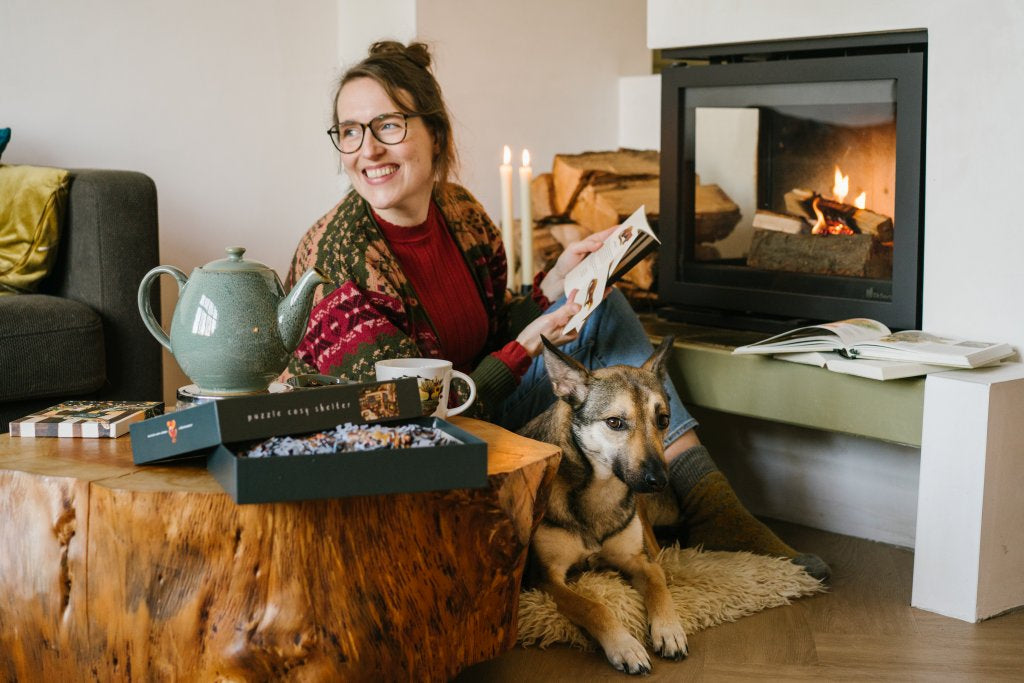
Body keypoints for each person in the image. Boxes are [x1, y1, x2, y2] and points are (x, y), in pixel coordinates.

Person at [281, 40, 829, 581]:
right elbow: (410, 416)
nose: (367, 150)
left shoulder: (460, 212)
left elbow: (490, 328)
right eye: (349, 131)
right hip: (414, 450)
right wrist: (524, 348)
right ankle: (692, 507)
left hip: (477, 409)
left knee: (601, 304)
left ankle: (711, 503)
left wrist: (555, 284)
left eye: (388, 126)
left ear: (436, 134)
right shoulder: (340, 259)